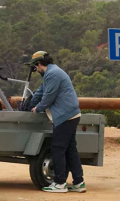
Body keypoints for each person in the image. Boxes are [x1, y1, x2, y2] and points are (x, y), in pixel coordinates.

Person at [29, 50, 85, 193]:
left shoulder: (52, 74)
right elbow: (40, 92)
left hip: (65, 116)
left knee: (57, 148)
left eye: (35, 67)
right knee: (70, 149)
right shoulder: (51, 73)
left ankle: (60, 183)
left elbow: (49, 97)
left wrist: (38, 109)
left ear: (38, 64)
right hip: (71, 114)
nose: (35, 70)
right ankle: (79, 182)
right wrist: (29, 103)